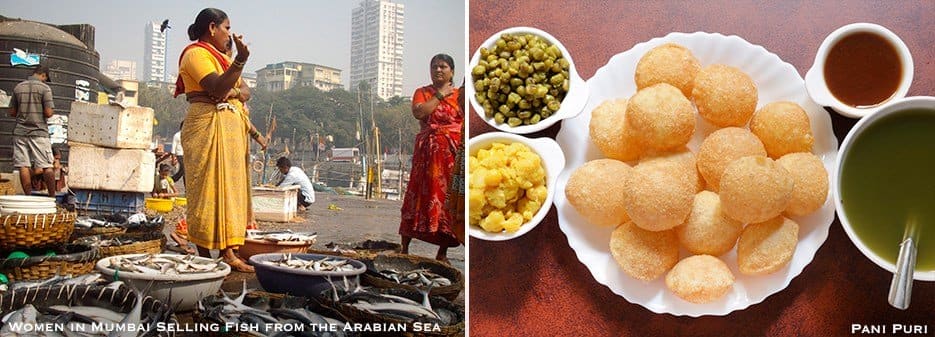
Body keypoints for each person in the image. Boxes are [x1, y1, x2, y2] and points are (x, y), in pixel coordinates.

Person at [175, 8, 267, 272]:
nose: (230, 34)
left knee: (231, 191)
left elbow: (244, 91)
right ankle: (204, 252)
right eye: (227, 28)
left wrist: (233, 89)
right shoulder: (195, 54)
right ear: (212, 28)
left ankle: (230, 252)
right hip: (205, 125)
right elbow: (216, 88)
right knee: (205, 189)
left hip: (230, 131)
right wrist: (240, 62)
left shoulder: (223, 59)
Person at [399, 54, 463, 263]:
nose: (438, 70)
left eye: (443, 67)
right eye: (434, 67)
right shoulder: (423, 92)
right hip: (426, 156)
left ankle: (442, 251)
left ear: (451, 71)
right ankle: (404, 247)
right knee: (416, 195)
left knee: (448, 200)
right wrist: (440, 95)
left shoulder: (460, 95)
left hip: (451, 155)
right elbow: (419, 112)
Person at [8, 65, 55, 197]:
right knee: (46, 166)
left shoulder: (18, 87)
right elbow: (49, 112)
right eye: (45, 79)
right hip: (39, 132)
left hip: (20, 133)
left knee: (23, 166)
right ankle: (52, 198)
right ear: (43, 75)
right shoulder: (45, 89)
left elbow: (12, 112)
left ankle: (28, 197)